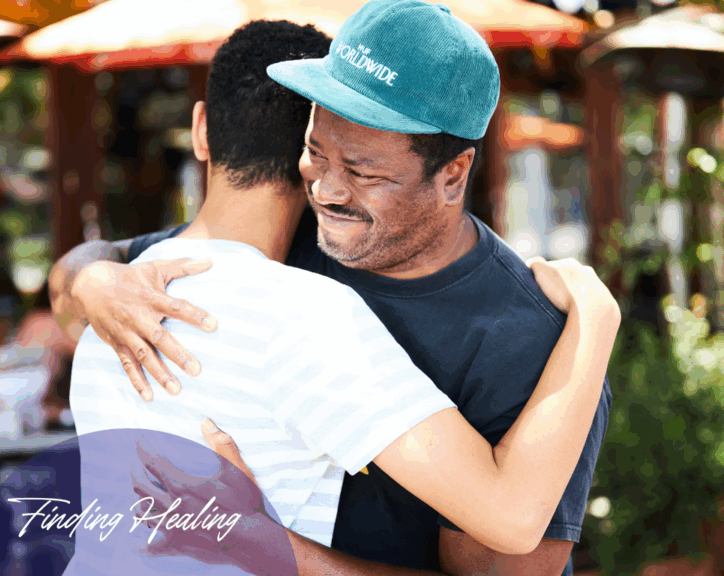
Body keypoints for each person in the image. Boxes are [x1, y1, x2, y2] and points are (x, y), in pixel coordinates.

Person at [49, 2, 614, 575]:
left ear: (453, 174)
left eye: (364, 172)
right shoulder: (287, 242)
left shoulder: (530, 342)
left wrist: (261, 544)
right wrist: (94, 281)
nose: (327, 190)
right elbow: (95, 272)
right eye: (316, 153)